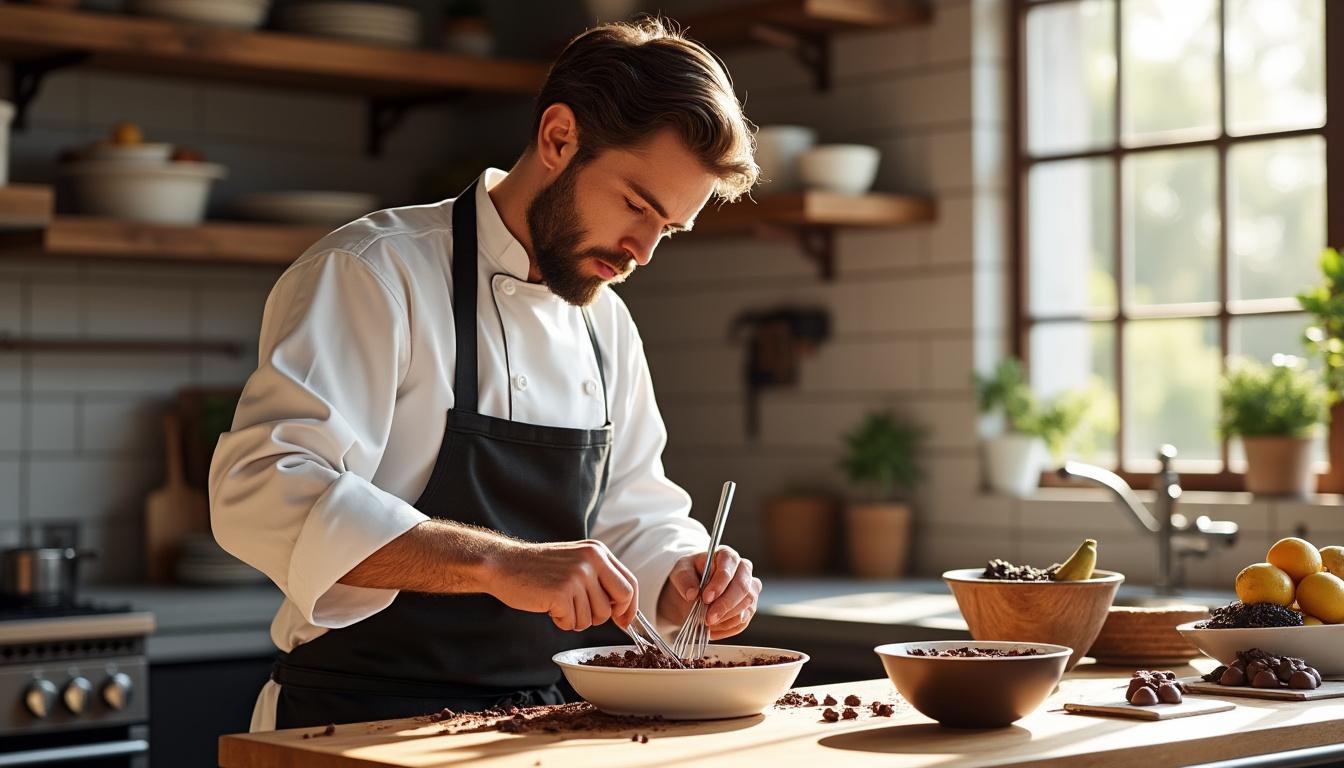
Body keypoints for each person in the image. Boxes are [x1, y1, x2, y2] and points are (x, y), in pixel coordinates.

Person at [208, 17, 762, 731]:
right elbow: (264, 486)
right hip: (356, 722)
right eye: (636, 205)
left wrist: (683, 576)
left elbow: (636, 512)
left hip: (542, 726)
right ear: (559, 137)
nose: (644, 251)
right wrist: (497, 565)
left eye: (670, 229)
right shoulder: (375, 273)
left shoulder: (605, 324)